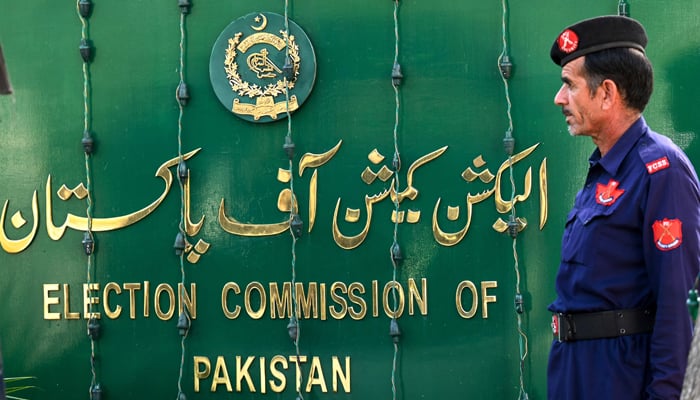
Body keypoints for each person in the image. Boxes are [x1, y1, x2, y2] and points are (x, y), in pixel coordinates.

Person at [547, 15, 700, 399]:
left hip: (618, 377)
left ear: (607, 93)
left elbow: (677, 303)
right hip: (575, 372)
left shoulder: (660, 170)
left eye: (570, 85)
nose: (560, 98)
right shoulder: (604, 171)